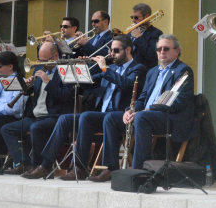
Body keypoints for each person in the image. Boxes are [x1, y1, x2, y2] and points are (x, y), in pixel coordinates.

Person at [22, 34, 147, 180]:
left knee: (87, 116)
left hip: (121, 116)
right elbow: (86, 84)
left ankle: (81, 167)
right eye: (111, 51)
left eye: (116, 51)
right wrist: (80, 71)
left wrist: (105, 69)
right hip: (102, 116)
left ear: (128, 50)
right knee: (65, 119)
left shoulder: (138, 68)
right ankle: (45, 165)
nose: (112, 54)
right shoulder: (111, 68)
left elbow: (126, 83)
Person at [101, 34, 196, 178]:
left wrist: (150, 109)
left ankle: (139, 170)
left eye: (166, 49)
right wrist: (129, 110)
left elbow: (178, 101)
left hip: (170, 118)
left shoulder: (183, 71)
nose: (161, 52)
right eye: (159, 49)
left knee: (141, 117)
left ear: (176, 51)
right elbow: (142, 98)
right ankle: (111, 168)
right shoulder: (152, 72)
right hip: (146, 115)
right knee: (111, 118)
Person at [1, 42, 74, 175]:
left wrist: (48, 82)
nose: (41, 63)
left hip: (55, 116)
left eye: (45, 60)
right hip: (37, 116)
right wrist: (26, 86)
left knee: (36, 128)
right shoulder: (39, 70)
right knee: (7, 129)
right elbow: (32, 92)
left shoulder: (66, 71)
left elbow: (66, 96)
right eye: (40, 60)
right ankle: (24, 162)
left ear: (56, 56)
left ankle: (39, 167)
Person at [128, 3, 163, 70]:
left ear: (147, 17)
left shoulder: (156, 33)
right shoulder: (130, 32)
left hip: (144, 73)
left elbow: (151, 54)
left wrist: (139, 38)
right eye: (132, 17)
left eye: (136, 17)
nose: (133, 20)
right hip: (129, 72)